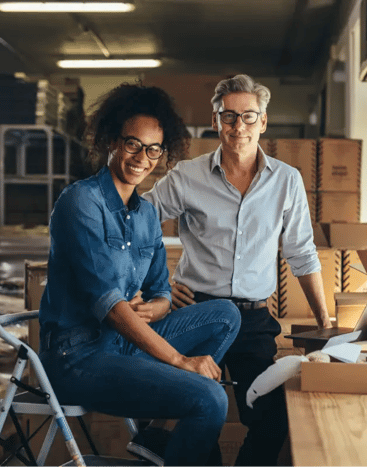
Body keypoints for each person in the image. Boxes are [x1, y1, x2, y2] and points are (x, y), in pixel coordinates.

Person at [37, 82, 241, 467]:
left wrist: (156, 307)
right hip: (77, 356)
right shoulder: (80, 202)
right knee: (209, 398)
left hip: (123, 343)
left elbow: (161, 290)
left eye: (153, 149)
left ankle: (159, 435)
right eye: (132, 144)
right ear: (112, 140)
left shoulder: (146, 213)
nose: (142, 158)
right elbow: (110, 305)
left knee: (225, 314)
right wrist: (181, 362)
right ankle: (169, 437)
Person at [142, 74, 332, 466]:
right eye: (229, 117)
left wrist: (326, 324)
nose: (238, 127)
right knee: (197, 415)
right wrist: (157, 285)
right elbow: (135, 225)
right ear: (215, 121)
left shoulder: (287, 181)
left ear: (263, 122)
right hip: (195, 313)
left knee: (272, 416)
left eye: (248, 117)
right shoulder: (187, 176)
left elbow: (302, 253)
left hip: (252, 318)